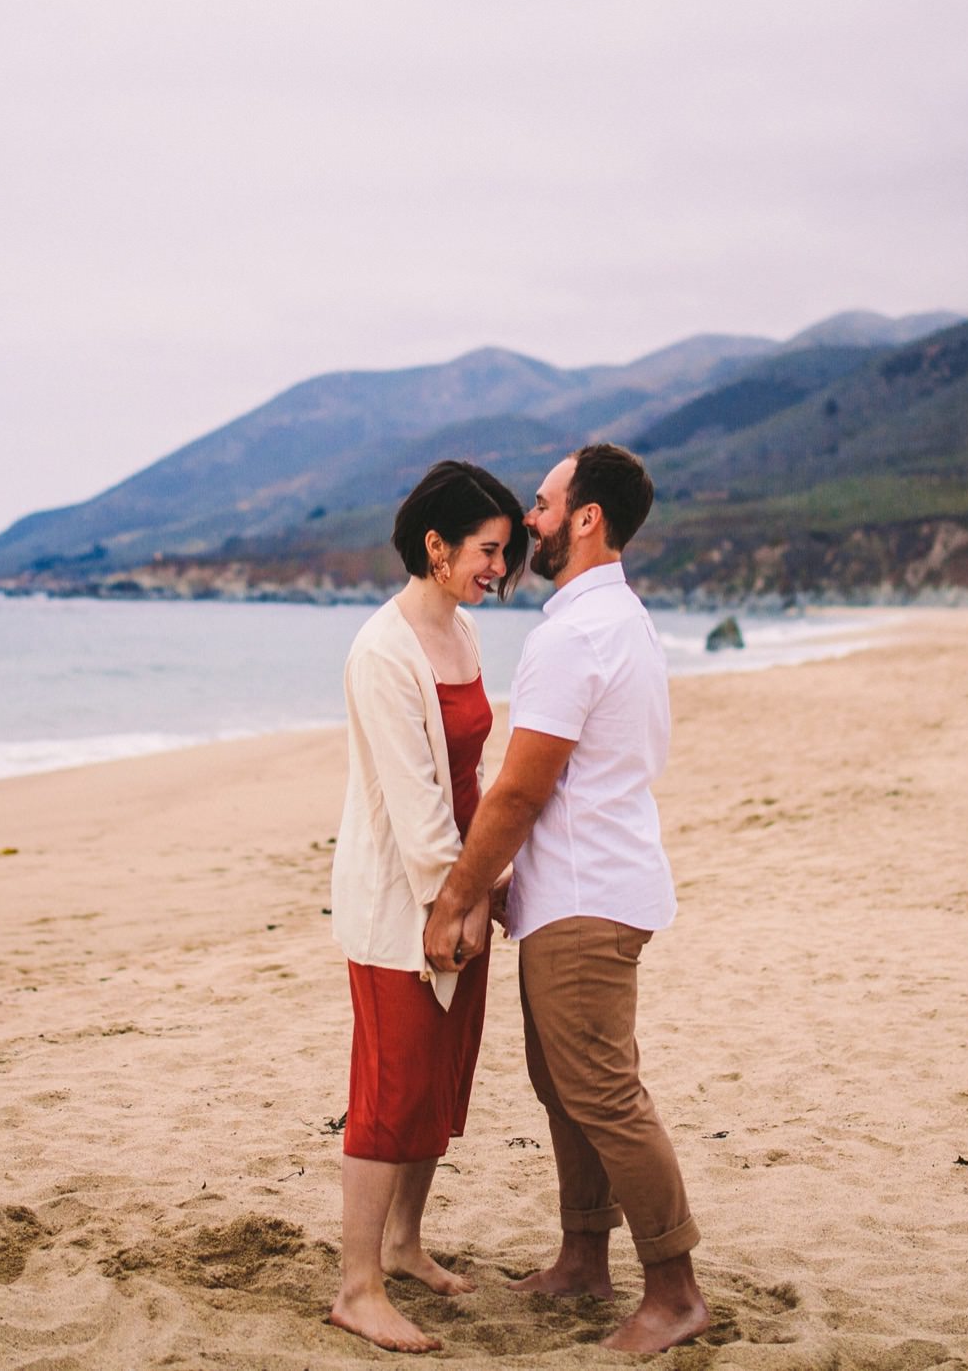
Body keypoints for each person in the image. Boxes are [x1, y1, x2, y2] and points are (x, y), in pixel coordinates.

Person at [425, 442, 710, 1354]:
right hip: (583, 887)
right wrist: (509, 888)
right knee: (565, 1088)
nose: (529, 522)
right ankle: (585, 1259)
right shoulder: (621, 621)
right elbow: (583, 786)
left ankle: (674, 1291)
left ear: (587, 518)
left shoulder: (573, 635)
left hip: (588, 903)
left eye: (544, 506)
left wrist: (455, 897)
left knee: (604, 1094)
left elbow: (520, 790)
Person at [327, 459, 529, 1354]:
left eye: (508, 553)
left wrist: (493, 881)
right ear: (437, 546)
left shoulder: (461, 634)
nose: (501, 570)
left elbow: (471, 777)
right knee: (390, 1091)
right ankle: (356, 1285)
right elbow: (415, 812)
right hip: (402, 904)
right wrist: (460, 905)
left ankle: (405, 1245)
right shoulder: (383, 650)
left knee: (439, 1084)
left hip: (460, 891)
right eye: (489, 552)